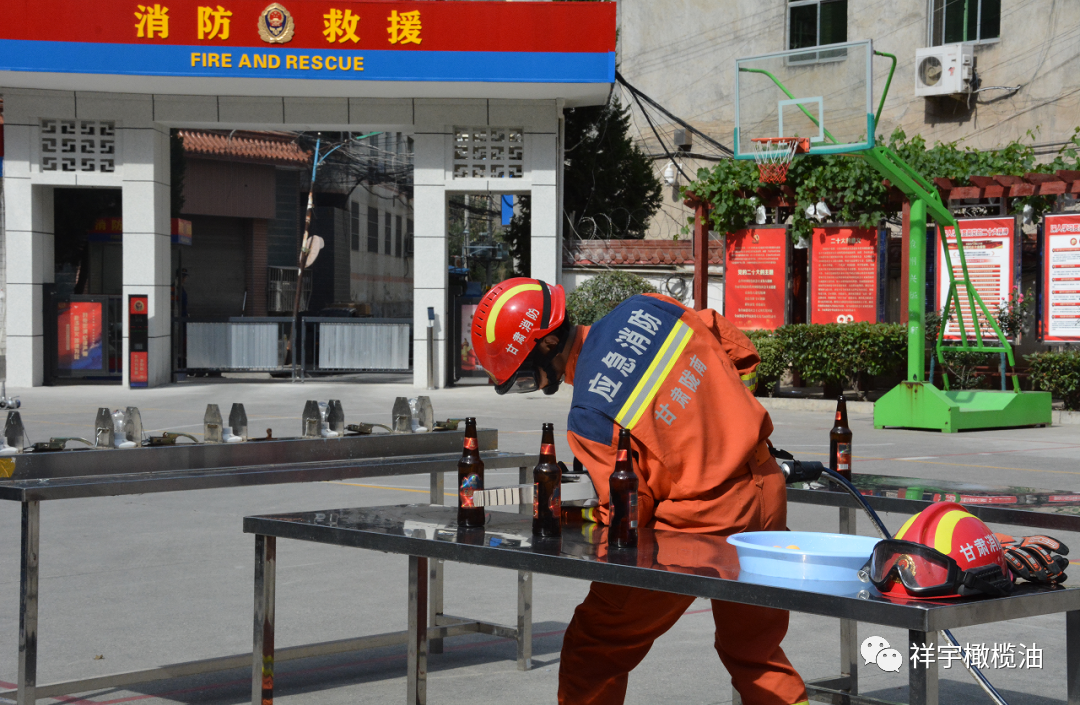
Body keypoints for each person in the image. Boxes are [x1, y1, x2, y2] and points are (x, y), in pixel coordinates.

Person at [471, 278, 808, 705]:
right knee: (754, 650)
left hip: (699, 526)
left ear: (549, 342)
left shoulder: (590, 413)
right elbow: (733, 345)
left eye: (525, 378)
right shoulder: (649, 307)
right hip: (765, 488)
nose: (532, 386)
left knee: (594, 648)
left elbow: (630, 512)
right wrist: (718, 416)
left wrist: (574, 516)